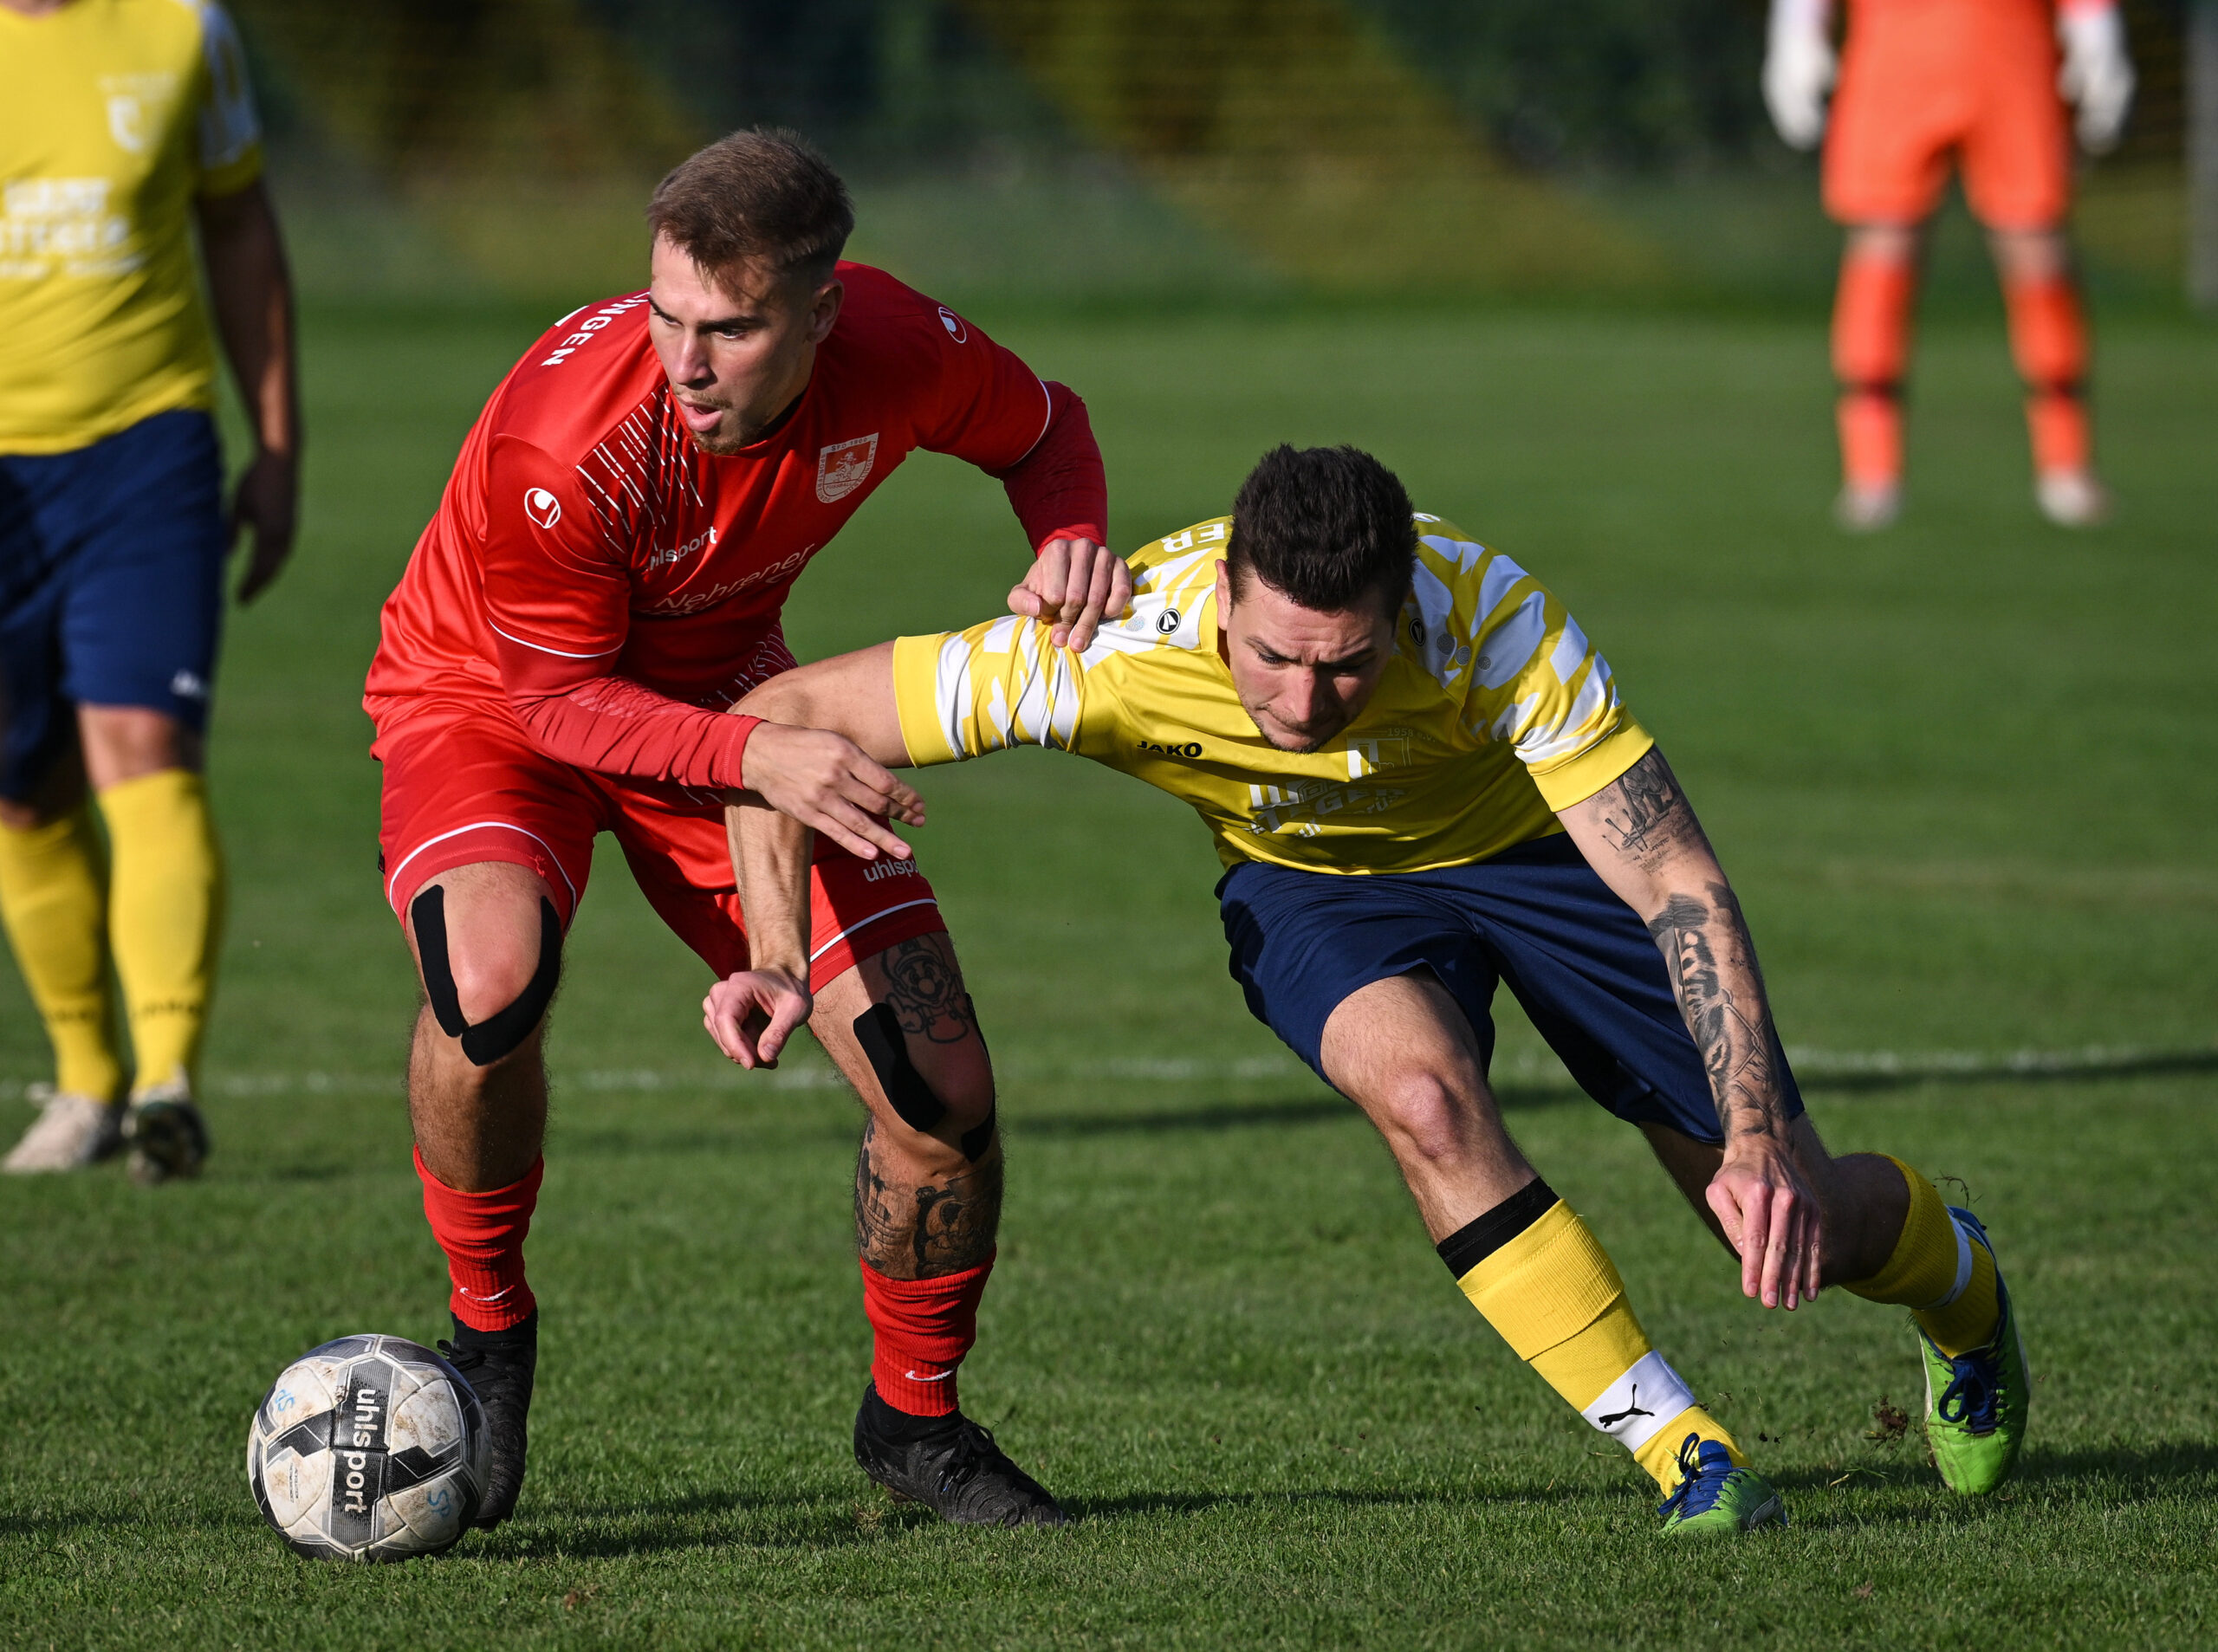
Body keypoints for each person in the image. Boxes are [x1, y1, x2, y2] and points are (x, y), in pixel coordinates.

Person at [710, 444, 2031, 1536]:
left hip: (1539, 858)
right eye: (1274, 656)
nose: (1304, 697)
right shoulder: (1107, 643)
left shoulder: (1498, 624)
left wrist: (1751, 1134)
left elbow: (1678, 879)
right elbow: (777, 716)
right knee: (1423, 1098)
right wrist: (771, 953)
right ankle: (1687, 1454)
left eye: (1348, 663)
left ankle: (1959, 1283)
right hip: (1314, 884)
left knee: (1785, 1214)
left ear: (1403, 608)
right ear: (1223, 595)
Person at [364, 127, 1125, 1532]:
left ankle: (916, 1421)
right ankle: (488, 1336)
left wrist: (1067, 529)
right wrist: (765, 752)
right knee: (486, 988)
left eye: (731, 325)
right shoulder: (572, 438)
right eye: (666, 316)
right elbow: (557, 703)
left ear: (823, 312)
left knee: (939, 1082)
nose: (687, 360)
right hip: (492, 699)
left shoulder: (899, 346)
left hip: (728, 700)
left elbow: (1043, 428)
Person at [0, 0, 299, 1182]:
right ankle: (85, 1084)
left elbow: (238, 229)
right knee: (22, 790)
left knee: (144, 736)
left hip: (145, 447)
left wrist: (278, 445)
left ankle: (168, 1076)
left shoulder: (185, 29)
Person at [1763, 0, 2135, 528]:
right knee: (1882, 243)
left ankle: (2066, 464)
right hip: (1895, 52)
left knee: (2036, 248)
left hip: (2012, 51)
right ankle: (1871, 471)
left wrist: (2094, 25)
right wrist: (1797, 24)